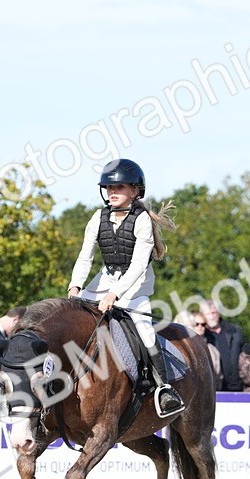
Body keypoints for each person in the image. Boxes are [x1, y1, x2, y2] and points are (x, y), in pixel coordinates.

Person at [68, 158, 183, 416]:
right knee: (71, 317)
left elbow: (138, 265)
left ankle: (164, 389)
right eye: (109, 188)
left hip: (135, 286)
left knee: (144, 331)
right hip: (104, 280)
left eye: (119, 188)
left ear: (135, 191)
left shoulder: (141, 220)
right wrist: (75, 286)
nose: (112, 193)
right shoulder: (98, 217)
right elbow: (85, 256)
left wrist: (115, 294)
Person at [200, 299, 244, 391]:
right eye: (207, 314)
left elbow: (244, 355)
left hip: (237, 386)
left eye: (213, 313)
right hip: (214, 388)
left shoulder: (234, 331)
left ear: (219, 312)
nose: (211, 317)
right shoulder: (201, 335)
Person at [175, 310, 221, 387]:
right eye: (196, 324)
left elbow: (217, 377)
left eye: (203, 324)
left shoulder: (211, 349)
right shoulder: (170, 348)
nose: (199, 327)